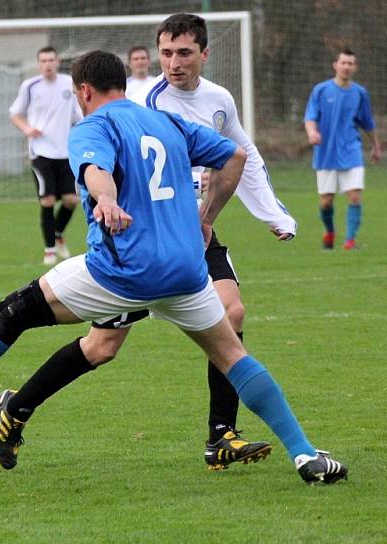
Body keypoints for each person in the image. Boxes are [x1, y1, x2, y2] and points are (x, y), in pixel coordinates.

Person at [0, 50, 347, 485]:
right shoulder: (165, 121)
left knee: (14, 313)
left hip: (123, 270)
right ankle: (305, 455)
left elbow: (95, 170)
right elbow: (236, 155)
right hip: (185, 271)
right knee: (231, 357)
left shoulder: (93, 126)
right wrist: (206, 220)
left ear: (85, 91)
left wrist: (107, 200)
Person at [123, 13, 299, 469]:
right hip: (148, 236)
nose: (174, 63)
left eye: (183, 53)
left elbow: (244, 154)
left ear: (205, 53)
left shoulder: (219, 100)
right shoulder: (147, 101)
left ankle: (220, 434)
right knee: (101, 347)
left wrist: (271, 212)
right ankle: (19, 405)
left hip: (195, 228)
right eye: (166, 53)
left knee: (232, 310)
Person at [9, 46, 84, 265]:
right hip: (40, 152)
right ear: (39, 63)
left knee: (71, 201)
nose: (48, 64)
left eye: (51, 60)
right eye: (43, 61)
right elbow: (15, 113)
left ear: (58, 61)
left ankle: (58, 233)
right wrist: (27, 129)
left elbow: (77, 115)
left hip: (65, 152)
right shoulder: (30, 86)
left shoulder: (68, 83)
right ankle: (49, 250)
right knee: (48, 200)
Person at [304, 48, 381, 250]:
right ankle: (329, 232)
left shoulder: (360, 93)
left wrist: (375, 146)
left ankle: (350, 241)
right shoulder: (321, 90)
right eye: (343, 62)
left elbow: (367, 122)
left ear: (355, 67)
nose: (346, 66)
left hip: (351, 150)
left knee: (355, 196)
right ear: (335, 65)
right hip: (325, 152)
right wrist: (312, 132)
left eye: (350, 63)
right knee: (326, 202)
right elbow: (310, 117)